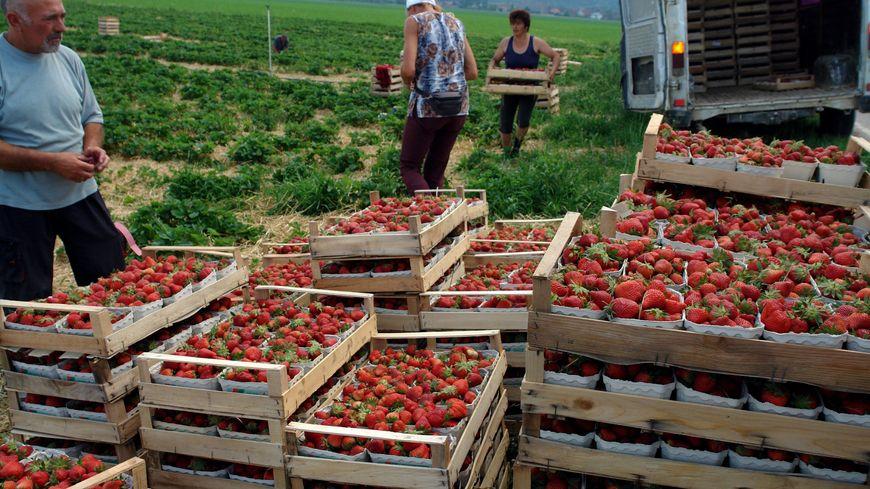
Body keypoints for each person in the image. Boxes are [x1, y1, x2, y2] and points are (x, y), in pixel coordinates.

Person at [0, 0, 124, 301]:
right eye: (50, 19)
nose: (61, 27)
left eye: (62, 16)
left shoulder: (68, 58)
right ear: (15, 19)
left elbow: (91, 117)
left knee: (115, 286)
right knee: (26, 307)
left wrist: (92, 146)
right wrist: (52, 163)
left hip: (80, 196)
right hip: (18, 208)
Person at [399, 0, 478, 193]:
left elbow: (408, 70)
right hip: (458, 106)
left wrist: (408, 80)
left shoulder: (415, 21)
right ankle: (441, 216)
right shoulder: (456, 23)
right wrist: (447, 80)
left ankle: (428, 212)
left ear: (413, 7)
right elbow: (472, 72)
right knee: (435, 172)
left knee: (409, 167)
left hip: (428, 105)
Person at [490, 9, 560, 156]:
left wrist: (551, 73)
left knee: (523, 120)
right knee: (505, 123)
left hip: (530, 89)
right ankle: (506, 152)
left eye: (518, 24)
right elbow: (495, 59)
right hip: (510, 88)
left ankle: (516, 146)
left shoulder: (535, 42)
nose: (515, 27)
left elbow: (555, 56)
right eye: (513, 24)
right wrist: (493, 71)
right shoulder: (506, 42)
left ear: (526, 26)